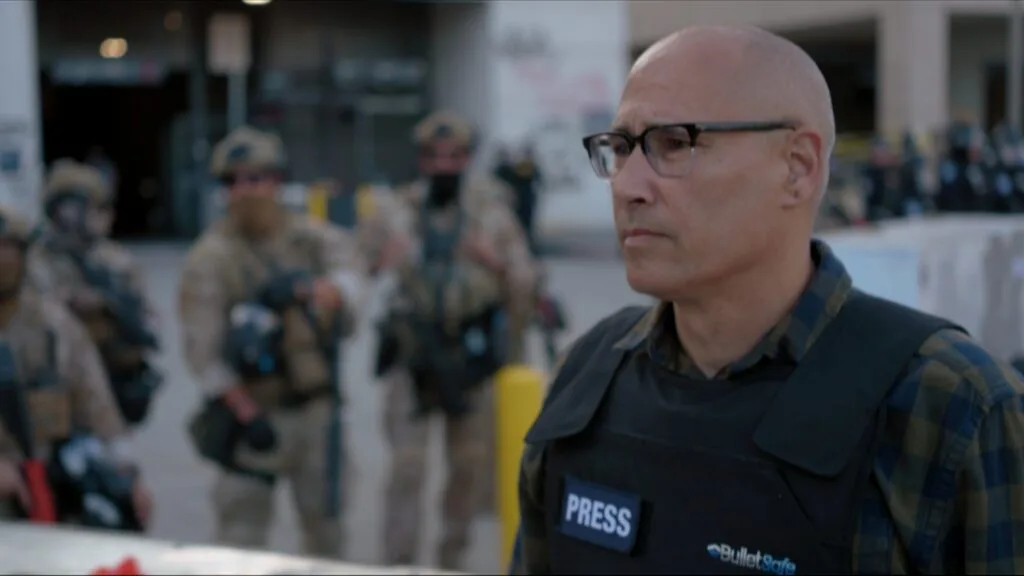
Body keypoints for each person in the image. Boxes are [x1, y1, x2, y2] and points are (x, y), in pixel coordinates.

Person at [512, 26, 1024, 574]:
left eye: (674, 143)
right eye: (619, 148)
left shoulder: (952, 408)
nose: (627, 185)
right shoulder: (588, 375)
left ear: (797, 166)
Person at [177, 126, 366, 558]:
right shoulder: (211, 256)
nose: (248, 191)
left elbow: (352, 274)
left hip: (316, 413)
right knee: (239, 542)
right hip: (251, 415)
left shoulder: (309, 236)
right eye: (235, 181)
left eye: (258, 178)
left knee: (327, 536)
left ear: (277, 181)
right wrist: (245, 411)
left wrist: (318, 291)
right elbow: (202, 350)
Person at [362, 111, 538, 569]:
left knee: (467, 469)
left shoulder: (492, 214)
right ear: (421, 159)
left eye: (454, 156)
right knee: (407, 468)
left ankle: (450, 562)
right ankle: (398, 564)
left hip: (468, 359)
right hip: (412, 357)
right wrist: (380, 262)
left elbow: (527, 283)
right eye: (434, 156)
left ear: (466, 159)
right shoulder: (394, 212)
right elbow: (351, 272)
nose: (443, 165)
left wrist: (495, 262)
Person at [0, 204, 152, 528]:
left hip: (45, 479)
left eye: (7, 247)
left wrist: (128, 474)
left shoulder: (53, 326)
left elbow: (97, 405)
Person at [28, 159, 162, 428]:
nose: (103, 217)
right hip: (60, 379)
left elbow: (147, 319)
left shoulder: (114, 259)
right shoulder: (36, 259)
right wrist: (66, 303)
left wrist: (108, 306)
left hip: (112, 376)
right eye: (93, 208)